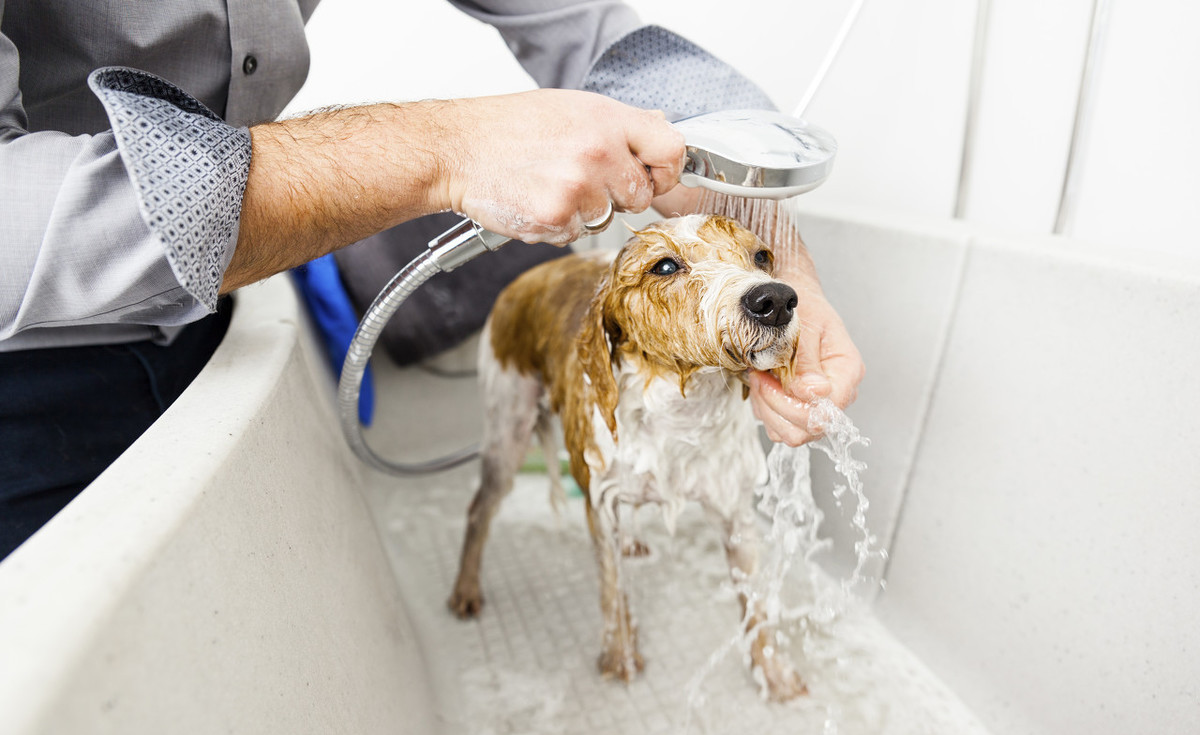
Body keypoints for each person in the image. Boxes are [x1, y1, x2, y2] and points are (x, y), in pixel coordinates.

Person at [0, 0, 863, 559]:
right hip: (27, 378)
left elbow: (595, 28)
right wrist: (443, 148)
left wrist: (773, 246)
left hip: (212, 326)